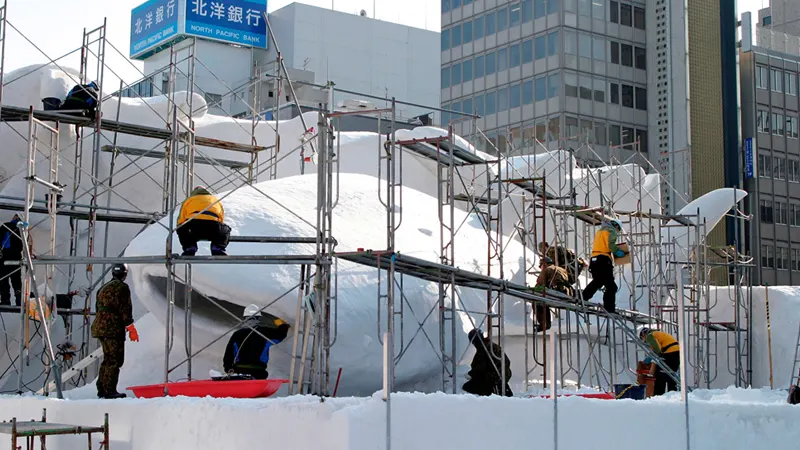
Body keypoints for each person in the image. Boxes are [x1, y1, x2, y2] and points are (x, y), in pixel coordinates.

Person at [91, 264, 138, 399]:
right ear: (125, 274)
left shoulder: (102, 288)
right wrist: (130, 327)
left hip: (100, 327)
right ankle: (110, 390)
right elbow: (125, 309)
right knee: (115, 359)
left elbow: (99, 308)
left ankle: (102, 389)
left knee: (107, 358)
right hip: (112, 329)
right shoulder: (122, 288)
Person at [223, 304, 291, 379]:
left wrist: (228, 369)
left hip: (239, 372)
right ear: (258, 318)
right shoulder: (264, 332)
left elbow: (228, 355)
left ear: (244, 318)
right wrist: (283, 325)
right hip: (258, 373)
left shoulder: (237, 334)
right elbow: (280, 335)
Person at [581, 219, 627, 313]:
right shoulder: (612, 231)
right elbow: (610, 245)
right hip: (603, 260)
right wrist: (618, 252)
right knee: (611, 287)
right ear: (617, 227)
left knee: (598, 281)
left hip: (594, 260)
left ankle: (583, 297)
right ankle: (609, 308)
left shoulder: (600, 231)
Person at [177, 186, 231, 256]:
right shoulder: (215, 199)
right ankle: (217, 247)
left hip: (194, 227)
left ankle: (190, 247)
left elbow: (181, 220)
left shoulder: (189, 200)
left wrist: (182, 230)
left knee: (181, 228)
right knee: (225, 230)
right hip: (213, 227)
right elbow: (221, 218)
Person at [462, 329, 513, 397]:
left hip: (494, 378)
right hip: (504, 374)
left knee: (467, 387)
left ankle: (493, 391)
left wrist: (470, 374)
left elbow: (479, 368)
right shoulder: (491, 345)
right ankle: (502, 388)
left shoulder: (483, 349)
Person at [532, 257, 573, 331]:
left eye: (540, 266)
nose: (540, 268)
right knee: (543, 301)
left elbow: (540, 284)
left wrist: (533, 290)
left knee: (537, 301)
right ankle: (545, 324)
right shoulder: (561, 269)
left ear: (544, 264)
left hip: (557, 292)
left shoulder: (547, 270)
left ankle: (544, 324)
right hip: (566, 293)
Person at [639, 326, 680, 396]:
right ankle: (673, 395)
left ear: (643, 335)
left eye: (642, 339)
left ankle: (658, 395)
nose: (645, 342)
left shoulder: (650, 336)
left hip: (670, 352)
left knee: (659, 373)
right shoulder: (657, 333)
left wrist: (648, 359)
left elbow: (657, 349)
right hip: (676, 352)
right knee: (671, 374)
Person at [0, 215, 23, 307]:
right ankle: (19, 301)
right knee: (16, 280)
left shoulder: (5, 226)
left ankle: (6, 300)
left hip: (4, 256)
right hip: (16, 256)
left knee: (3, 279)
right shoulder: (22, 229)